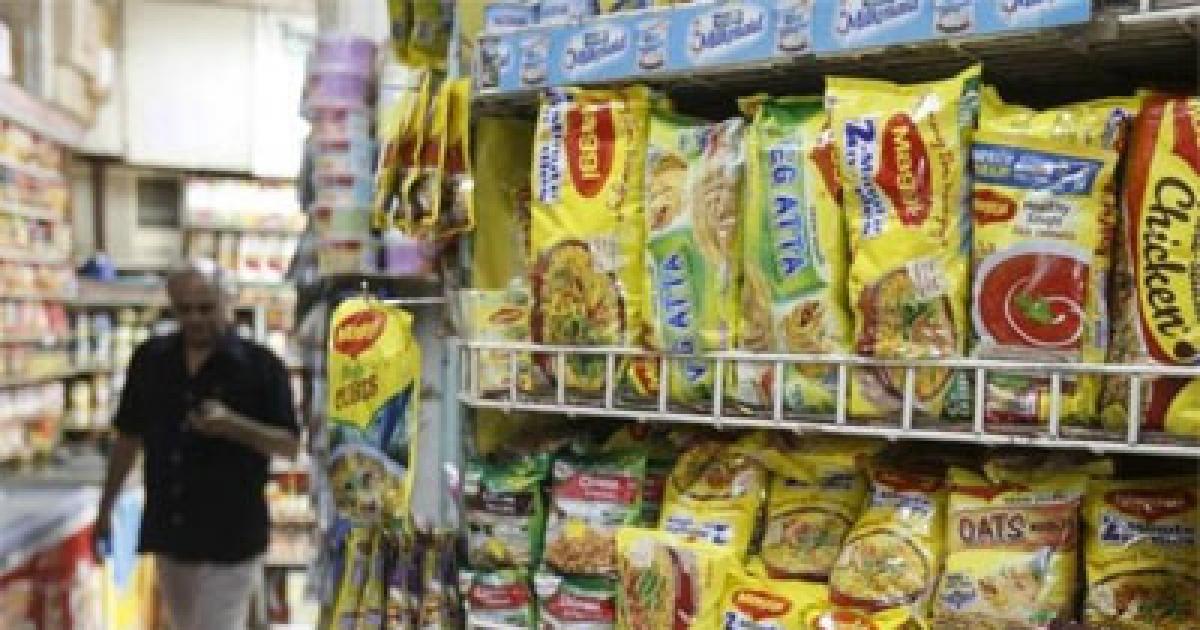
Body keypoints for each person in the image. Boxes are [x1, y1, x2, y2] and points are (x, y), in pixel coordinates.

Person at [95, 259, 300, 630]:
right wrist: (106, 505)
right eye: (184, 309)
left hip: (232, 535)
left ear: (227, 302)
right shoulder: (151, 360)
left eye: (206, 308)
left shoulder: (261, 367)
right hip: (171, 530)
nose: (195, 319)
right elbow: (128, 436)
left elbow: (288, 445)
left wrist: (234, 427)